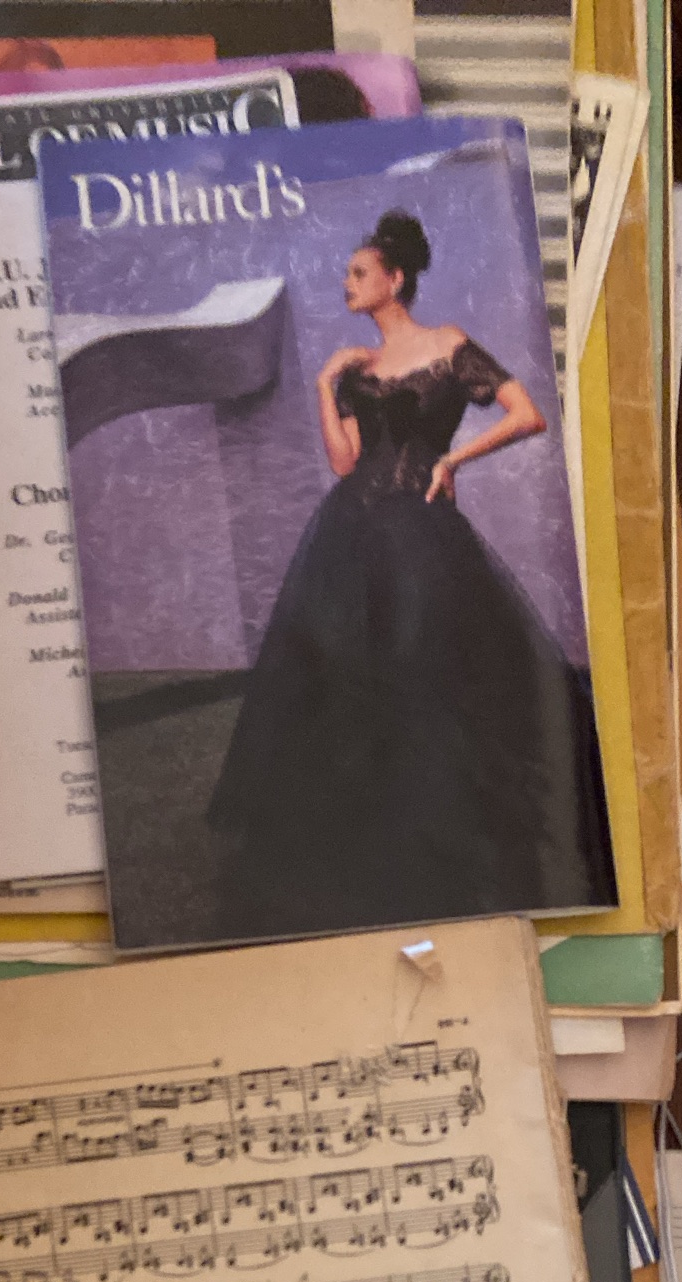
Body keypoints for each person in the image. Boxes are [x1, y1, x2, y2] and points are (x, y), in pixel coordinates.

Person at [207, 210, 614, 938]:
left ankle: (447, 821)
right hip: (349, 532)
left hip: (419, 531)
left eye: (358, 273)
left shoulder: (449, 345)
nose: (347, 283)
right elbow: (343, 462)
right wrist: (325, 384)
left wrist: (453, 459)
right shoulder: (356, 371)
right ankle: (360, 832)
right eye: (347, 275)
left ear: (394, 279)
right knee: (345, 679)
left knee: (428, 667)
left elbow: (526, 414)